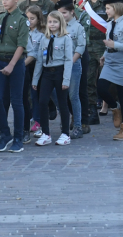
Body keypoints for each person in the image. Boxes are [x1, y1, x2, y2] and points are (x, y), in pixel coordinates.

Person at [0, 0, 28, 153]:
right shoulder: (0, 18)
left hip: (16, 62)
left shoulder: (22, 19)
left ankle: (18, 137)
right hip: (0, 61)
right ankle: (5, 133)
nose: (4, 2)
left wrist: (12, 65)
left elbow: (21, 45)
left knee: (16, 101)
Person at [31, 10, 74, 146]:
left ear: (61, 23)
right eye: (50, 22)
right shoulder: (45, 38)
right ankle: (45, 133)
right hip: (47, 73)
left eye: (55, 22)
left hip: (60, 72)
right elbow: (39, 60)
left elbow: (68, 60)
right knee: (43, 101)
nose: (52, 24)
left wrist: (66, 79)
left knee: (62, 103)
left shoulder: (66, 38)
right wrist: (35, 79)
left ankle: (65, 134)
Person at [98, 0, 123, 141]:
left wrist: (116, 46)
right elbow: (109, 42)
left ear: (116, 8)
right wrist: (104, 54)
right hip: (110, 61)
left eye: (108, 8)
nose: (106, 11)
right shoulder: (109, 25)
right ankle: (115, 109)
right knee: (101, 88)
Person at [57, 0, 86, 139]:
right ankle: (66, 115)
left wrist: (70, 62)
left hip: (73, 65)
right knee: (54, 93)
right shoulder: (57, 26)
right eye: (59, 13)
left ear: (72, 12)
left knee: (73, 96)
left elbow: (81, 46)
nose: (62, 15)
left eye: (64, 13)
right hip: (57, 65)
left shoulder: (78, 27)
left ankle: (78, 126)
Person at [81, 0, 107, 126]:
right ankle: (92, 111)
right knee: (89, 80)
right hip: (88, 47)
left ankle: (114, 107)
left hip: (104, 47)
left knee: (106, 82)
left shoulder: (107, 3)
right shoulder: (83, 5)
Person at [22, 8, 46, 141]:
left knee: (36, 93)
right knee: (29, 95)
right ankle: (32, 117)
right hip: (25, 66)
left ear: (38, 19)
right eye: (28, 18)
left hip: (37, 66)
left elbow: (38, 53)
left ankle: (39, 120)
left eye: (32, 19)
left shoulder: (41, 34)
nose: (30, 21)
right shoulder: (23, 32)